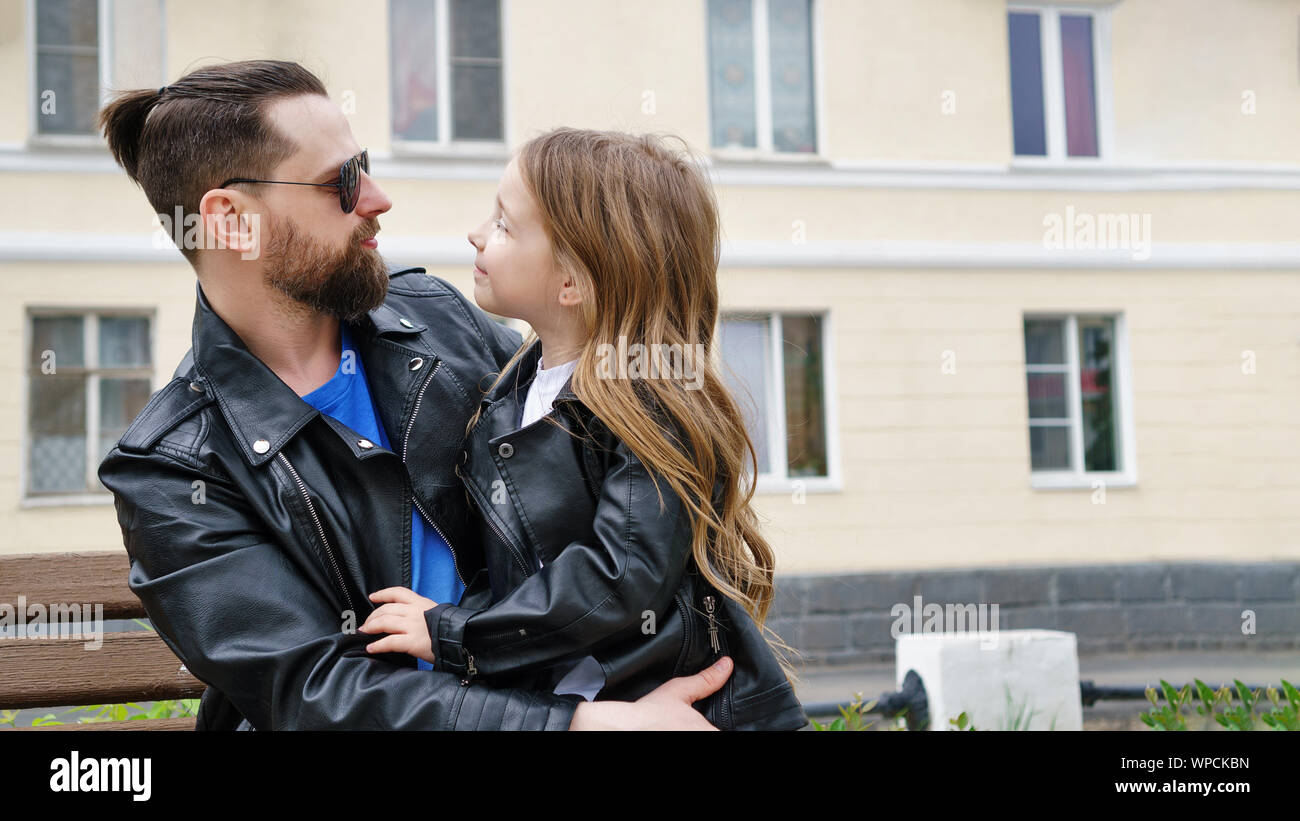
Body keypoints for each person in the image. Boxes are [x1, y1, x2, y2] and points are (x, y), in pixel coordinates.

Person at [95, 59, 733, 730]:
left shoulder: (434, 320)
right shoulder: (172, 466)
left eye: (363, 164)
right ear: (231, 220)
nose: (376, 196)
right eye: (340, 180)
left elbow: (616, 477)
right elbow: (318, 694)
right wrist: (577, 725)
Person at [355, 128, 807, 730]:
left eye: (505, 224)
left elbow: (619, 576)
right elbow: (518, 569)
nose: (476, 233)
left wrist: (453, 632)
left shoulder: (647, 404)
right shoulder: (511, 395)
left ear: (572, 281)